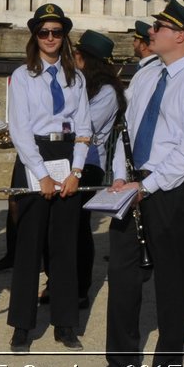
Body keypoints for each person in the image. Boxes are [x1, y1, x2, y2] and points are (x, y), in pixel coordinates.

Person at [82, 2, 184, 367]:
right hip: (133, 188)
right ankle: (120, 365)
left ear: (180, 36)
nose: (150, 32)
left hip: (172, 191)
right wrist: (123, 178)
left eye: (159, 27)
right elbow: (129, 132)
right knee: (122, 277)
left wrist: (148, 186)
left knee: (172, 282)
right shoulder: (145, 77)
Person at [6, 3, 91, 352]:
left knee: (64, 245)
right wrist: (40, 174)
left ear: (64, 36)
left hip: (67, 156)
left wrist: (76, 171)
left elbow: (85, 128)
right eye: (44, 32)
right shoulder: (23, 76)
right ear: (35, 36)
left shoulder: (77, 77)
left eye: (57, 32)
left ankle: (65, 323)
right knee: (28, 245)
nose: (51, 38)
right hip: (34, 157)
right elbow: (20, 130)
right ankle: (22, 325)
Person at [74, 30, 123, 303]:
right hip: (70, 160)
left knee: (80, 227)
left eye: (78, 56)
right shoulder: (81, 85)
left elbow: (85, 127)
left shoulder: (106, 92)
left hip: (90, 163)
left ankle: (80, 288)